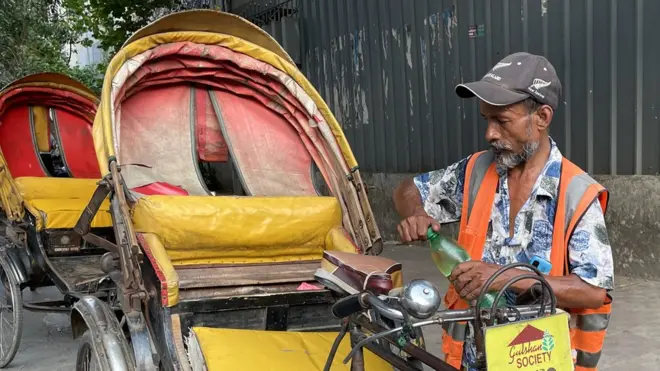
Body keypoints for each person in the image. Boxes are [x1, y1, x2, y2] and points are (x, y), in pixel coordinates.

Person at [392, 52, 613, 371]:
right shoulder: (477, 170)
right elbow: (407, 189)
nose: (490, 134)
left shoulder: (576, 193)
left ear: (542, 117)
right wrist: (417, 212)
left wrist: (503, 277)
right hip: (473, 359)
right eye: (487, 120)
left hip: (541, 359)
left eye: (502, 121)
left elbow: (594, 291)